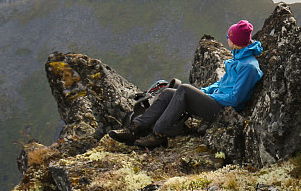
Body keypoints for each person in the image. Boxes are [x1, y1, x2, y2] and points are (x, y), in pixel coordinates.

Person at [109, 20, 264, 148]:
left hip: (224, 111)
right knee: (169, 92)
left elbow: (235, 99)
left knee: (183, 88)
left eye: (229, 36)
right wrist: (204, 92)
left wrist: (208, 96)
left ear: (236, 42)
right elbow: (222, 84)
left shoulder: (248, 67)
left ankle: (158, 134)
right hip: (217, 102)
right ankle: (135, 128)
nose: (227, 38)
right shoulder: (238, 58)